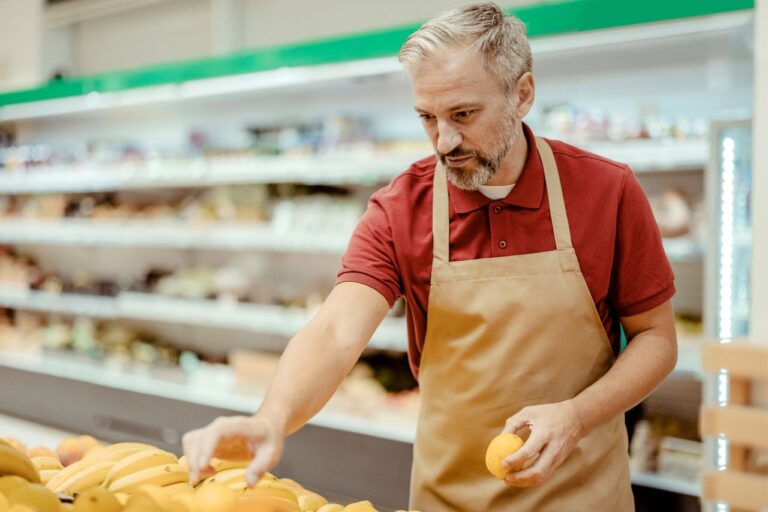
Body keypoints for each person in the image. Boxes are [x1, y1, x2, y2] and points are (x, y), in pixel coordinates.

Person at [182, 3, 678, 510]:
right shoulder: (402, 207)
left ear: (522, 94)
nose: (446, 141)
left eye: (464, 114)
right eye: (427, 118)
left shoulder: (606, 191)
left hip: (583, 495)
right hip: (448, 498)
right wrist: (271, 417)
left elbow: (657, 339)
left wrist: (575, 415)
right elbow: (335, 331)